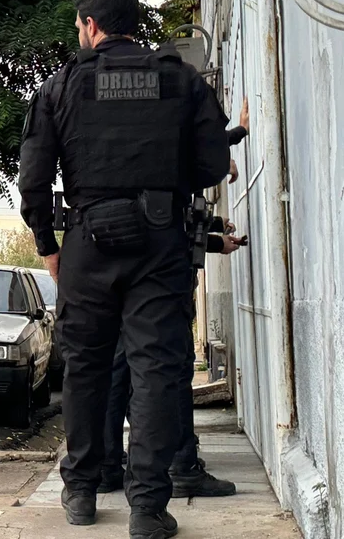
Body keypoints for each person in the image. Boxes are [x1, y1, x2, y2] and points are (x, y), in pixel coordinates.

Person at [18, 0, 231, 539]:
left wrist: (48, 247)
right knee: (156, 369)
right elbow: (211, 168)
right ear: (134, 23)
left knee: (85, 367)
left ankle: (82, 493)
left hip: (87, 240)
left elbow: (34, 180)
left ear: (90, 25)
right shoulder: (180, 80)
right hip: (160, 240)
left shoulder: (61, 86)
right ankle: (147, 509)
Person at [101, 102, 251, 498]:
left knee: (120, 375)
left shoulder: (125, 153)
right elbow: (172, 222)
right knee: (166, 373)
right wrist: (231, 141)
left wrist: (215, 229)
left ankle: (107, 467)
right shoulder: (165, 157)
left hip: (119, 281)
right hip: (159, 286)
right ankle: (179, 465)